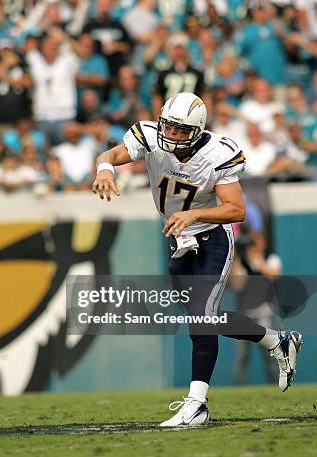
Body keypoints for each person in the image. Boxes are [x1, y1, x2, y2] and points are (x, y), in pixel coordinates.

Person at [91, 92, 303, 427]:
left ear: (195, 130)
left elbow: (236, 210)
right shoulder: (150, 137)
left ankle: (197, 405)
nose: (171, 134)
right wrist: (105, 168)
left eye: (179, 129)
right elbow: (113, 152)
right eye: (168, 126)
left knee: (202, 319)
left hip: (212, 238)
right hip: (177, 237)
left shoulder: (217, 153)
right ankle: (277, 340)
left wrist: (195, 215)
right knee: (205, 317)